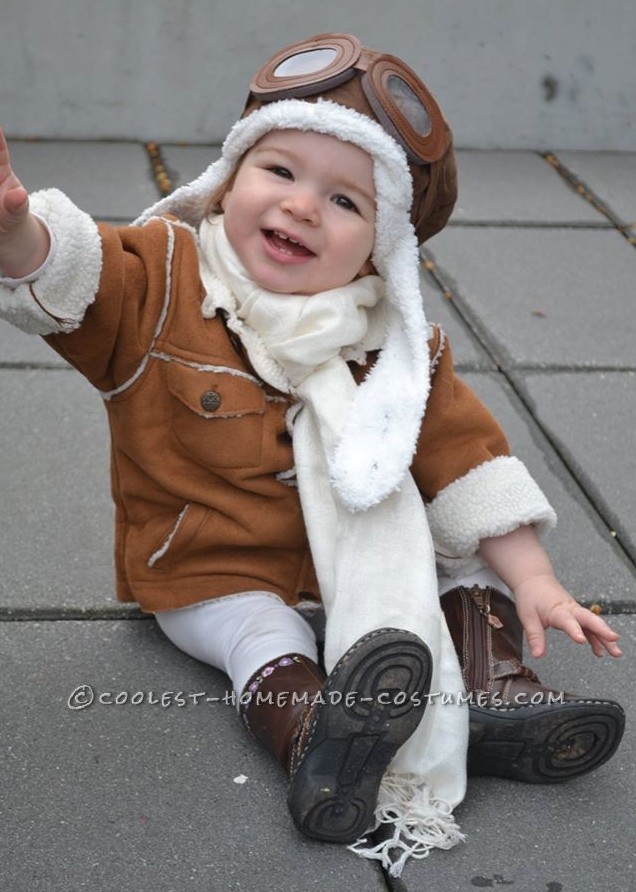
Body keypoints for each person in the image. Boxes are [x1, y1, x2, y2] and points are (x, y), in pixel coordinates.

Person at [0, 32, 624, 877]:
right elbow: (72, 280)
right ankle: (317, 732)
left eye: (345, 202)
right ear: (230, 179)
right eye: (281, 172)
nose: (300, 208)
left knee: (462, 561)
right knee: (259, 627)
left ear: (380, 247)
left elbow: (465, 465)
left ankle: (492, 694)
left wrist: (534, 580)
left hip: (348, 559)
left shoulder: (398, 351)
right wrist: (16, 234)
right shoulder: (167, 281)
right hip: (207, 569)